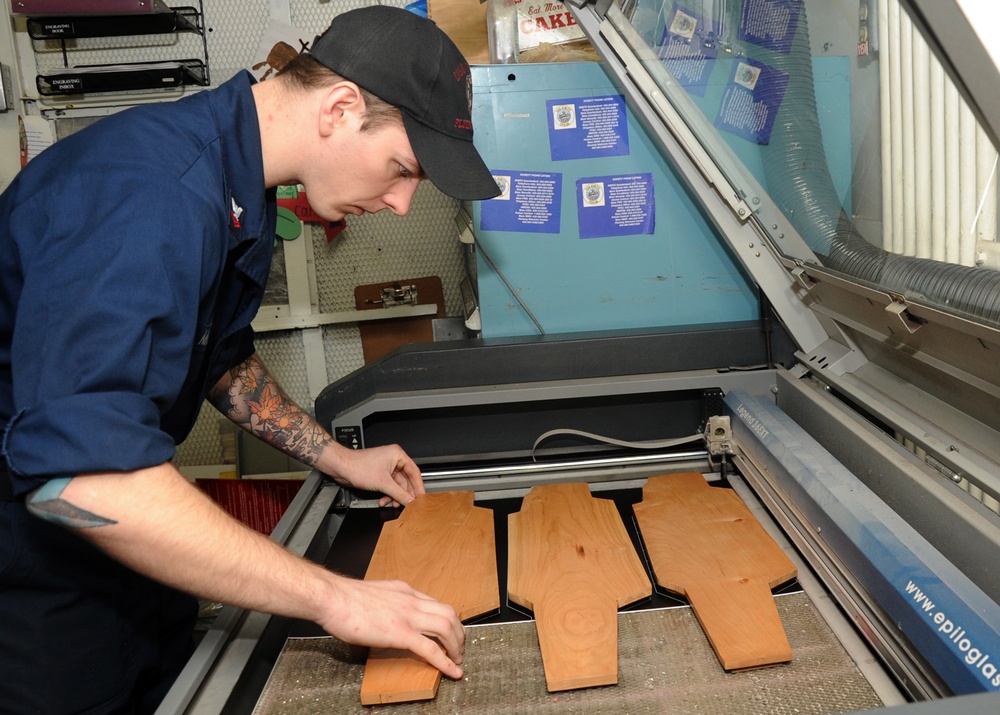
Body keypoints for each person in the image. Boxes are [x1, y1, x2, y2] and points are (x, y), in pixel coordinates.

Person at [0, 5, 501, 713]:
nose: (399, 203)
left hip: (134, 560)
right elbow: (82, 480)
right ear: (339, 107)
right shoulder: (151, 193)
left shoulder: (241, 192)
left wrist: (336, 456)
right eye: (400, 168)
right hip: (33, 575)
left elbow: (221, 362)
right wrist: (335, 597)